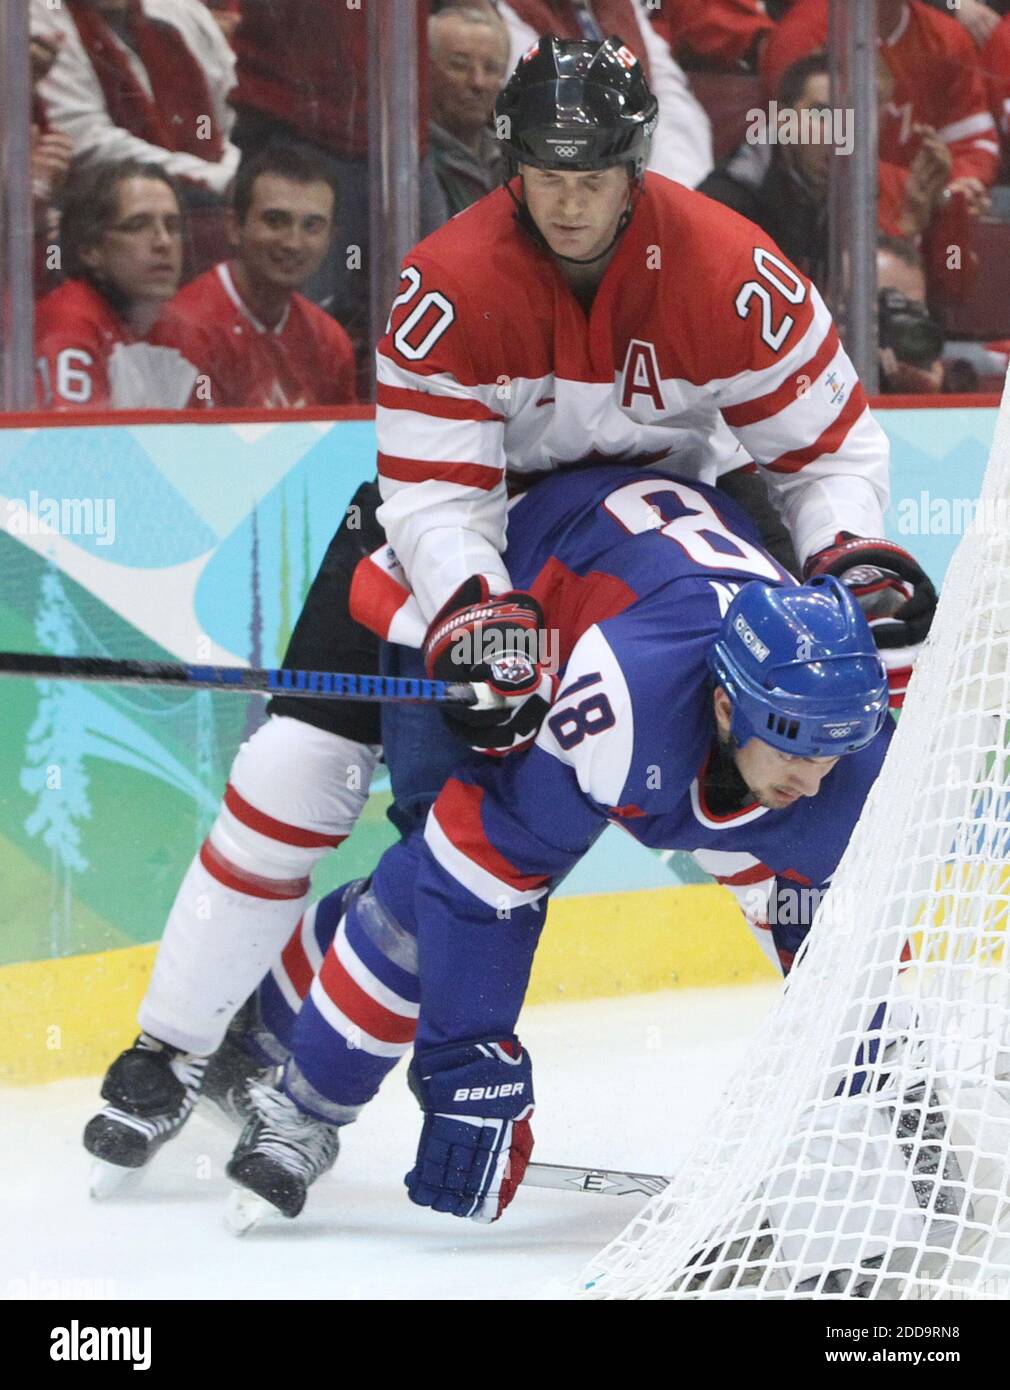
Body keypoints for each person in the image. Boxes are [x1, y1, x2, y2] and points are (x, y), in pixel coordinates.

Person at [82, 37, 935, 1178]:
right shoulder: (445, 281)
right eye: (547, 173)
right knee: (296, 776)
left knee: (764, 785)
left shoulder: (732, 268)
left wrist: (845, 552)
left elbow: (827, 449)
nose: (569, 201)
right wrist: (480, 612)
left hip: (653, 537)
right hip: (473, 543)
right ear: (509, 164)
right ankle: (170, 1047)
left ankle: (875, 1053)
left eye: (593, 176)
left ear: (637, 166)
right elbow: (434, 500)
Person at [215, 462, 895, 1221]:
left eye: (834, 753)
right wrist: (469, 1068)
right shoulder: (632, 706)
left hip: (630, 595)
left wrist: (885, 1077)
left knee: (808, 911)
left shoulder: (847, 752)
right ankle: (300, 1111)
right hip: (498, 602)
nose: (814, 778)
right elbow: (477, 873)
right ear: (728, 708)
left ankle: (264, 1033)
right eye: (797, 750)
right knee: (419, 891)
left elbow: (839, 944)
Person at [699, 54, 953, 289]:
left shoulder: (836, 194)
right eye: (822, 114)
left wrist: (910, 226)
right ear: (783, 119)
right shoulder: (728, 201)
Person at [150, 146, 357, 408]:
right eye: (275, 220)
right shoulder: (184, 332)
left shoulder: (330, 341)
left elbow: (342, 447)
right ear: (234, 226)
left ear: (331, 238)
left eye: (312, 226)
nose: (293, 243)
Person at [761, 0, 999, 214]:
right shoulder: (803, 32)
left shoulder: (947, 37)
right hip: (820, 214)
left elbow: (973, 143)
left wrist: (958, 186)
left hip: (916, 218)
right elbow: (793, 154)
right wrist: (908, 190)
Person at [29, 0, 240, 200]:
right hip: (99, 212)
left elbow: (224, 120)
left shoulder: (182, 12)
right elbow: (86, 141)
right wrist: (215, 178)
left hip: (212, 199)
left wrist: (229, 171)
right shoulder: (41, 14)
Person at [496, 0, 715, 188]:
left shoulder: (621, 6)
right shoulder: (508, 10)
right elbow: (556, 110)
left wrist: (676, 185)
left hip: (649, 164)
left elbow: (668, 92)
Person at [35, 160, 195, 411]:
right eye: (138, 225)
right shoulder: (68, 319)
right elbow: (73, 445)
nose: (163, 241)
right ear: (91, 250)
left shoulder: (177, 328)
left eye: (172, 227)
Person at [428, 6, 510, 217]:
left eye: (491, 68)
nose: (478, 82)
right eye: (460, 65)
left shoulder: (516, 161)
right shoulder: (414, 164)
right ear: (427, 71)